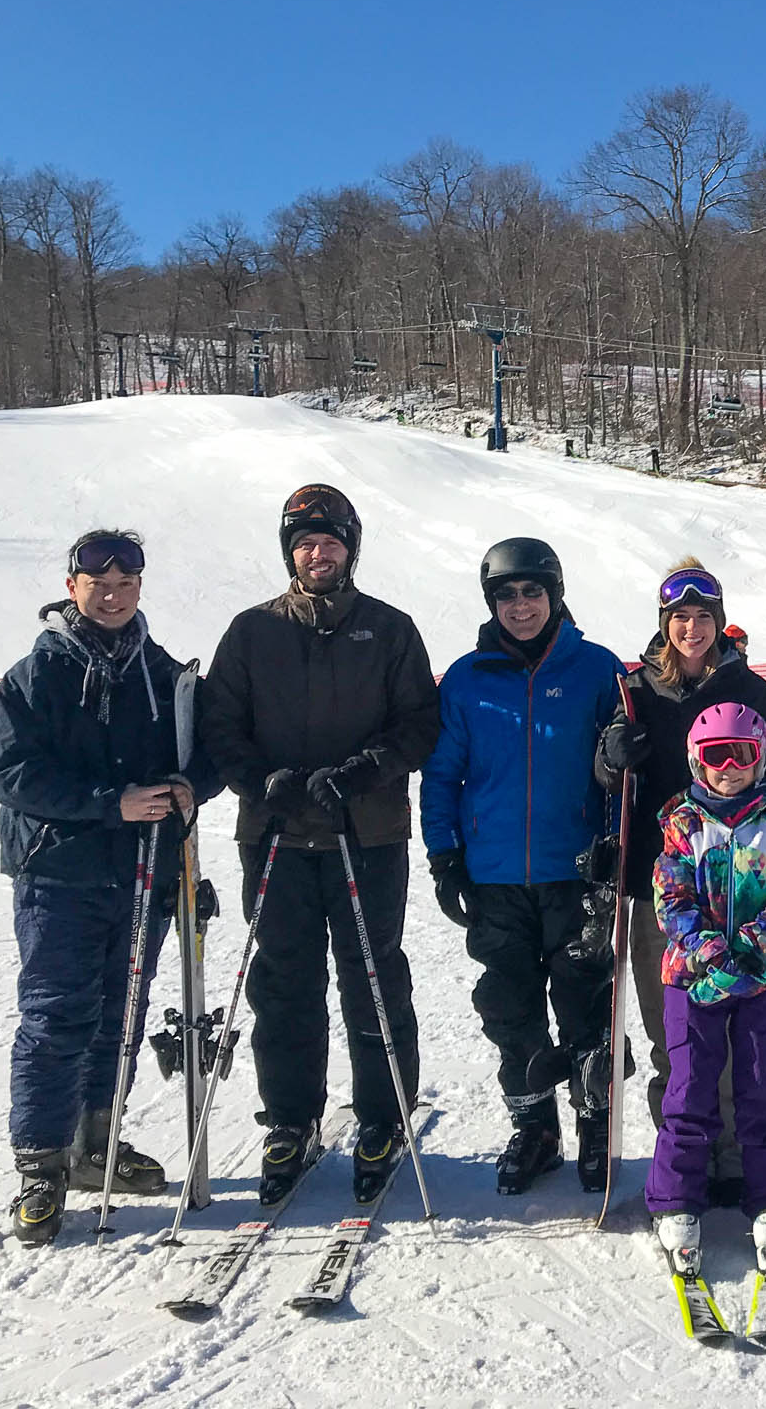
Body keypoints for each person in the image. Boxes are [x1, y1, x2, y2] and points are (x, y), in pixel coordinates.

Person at [199, 485, 439, 1205]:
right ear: (289, 552)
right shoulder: (251, 631)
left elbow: (419, 725)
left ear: (351, 548)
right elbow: (220, 728)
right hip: (275, 835)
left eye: (330, 540)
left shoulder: (390, 630)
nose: (317, 552)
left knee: (371, 975)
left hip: (365, 832)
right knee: (283, 982)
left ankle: (381, 1118)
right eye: (304, 541)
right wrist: (260, 780)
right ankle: (293, 1120)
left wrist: (367, 769)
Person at [0, 529, 223, 1245]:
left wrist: (191, 785)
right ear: (73, 588)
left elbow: (211, 754)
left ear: (140, 588)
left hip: (143, 872)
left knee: (120, 1017)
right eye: (99, 583)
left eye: (126, 583)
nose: (113, 595)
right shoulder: (38, 674)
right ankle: (42, 1167)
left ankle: (95, 1144)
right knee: (58, 1016)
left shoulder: (165, 673)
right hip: (60, 870)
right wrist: (108, 801)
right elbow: (12, 775)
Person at [421, 537, 625, 1194]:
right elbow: (442, 774)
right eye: (505, 595)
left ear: (555, 595)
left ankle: (595, 1123)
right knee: (509, 1005)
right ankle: (534, 1126)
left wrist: (616, 844)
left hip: (577, 871)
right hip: (496, 874)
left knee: (583, 999)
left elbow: (624, 773)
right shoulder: (467, 678)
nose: (519, 606)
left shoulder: (596, 670)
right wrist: (445, 856)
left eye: (531, 592)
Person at [593, 560, 766, 1208]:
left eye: (703, 617)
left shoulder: (750, 689)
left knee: (736, 1037)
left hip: (736, 889)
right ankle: (684, 1151)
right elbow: (602, 775)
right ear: (664, 623)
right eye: (679, 618)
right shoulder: (636, 691)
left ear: (718, 621)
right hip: (662, 889)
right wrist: (613, 755)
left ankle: (730, 1154)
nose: (692, 629)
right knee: (674, 1034)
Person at [646, 702, 766, 1267]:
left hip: (761, 979)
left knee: (761, 1084)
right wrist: (707, 947)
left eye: (740, 755)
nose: (728, 768)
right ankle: (676, 1198)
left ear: (760, 759)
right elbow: (670, 895)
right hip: (692, 981)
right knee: (690, 1084)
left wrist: (759, 938)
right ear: (697, 761)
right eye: (715, 756)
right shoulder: (681, 821)